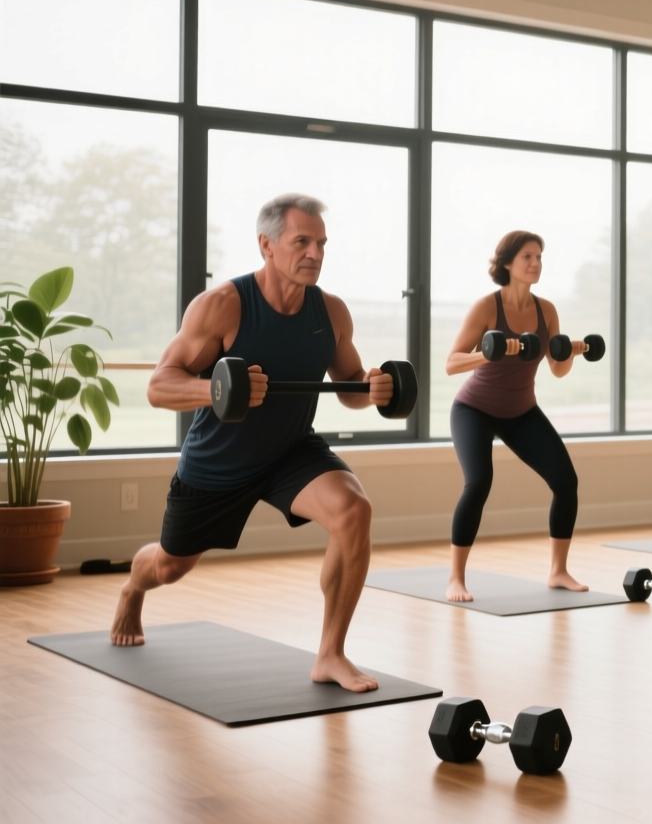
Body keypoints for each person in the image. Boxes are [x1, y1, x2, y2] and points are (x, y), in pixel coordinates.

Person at [110, 193, 393, 692]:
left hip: (289, 451)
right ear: (266, 245)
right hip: (219, 463)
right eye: (301, 241)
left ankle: (330, 654)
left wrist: (371, 389)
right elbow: (159, 386)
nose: (315, 253)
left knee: (355, 511)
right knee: (169, 566)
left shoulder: (330, 312)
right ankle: (133, 589)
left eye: (321, 243)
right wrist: (216, 390)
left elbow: (348, 386)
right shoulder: (221, 306)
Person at [443, 231, 589, 601]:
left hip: (521, 410)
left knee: (566, 481)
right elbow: (451, 363)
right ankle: (456, 578)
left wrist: (570, 352)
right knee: (478, 483)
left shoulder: (547, 311)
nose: (536, 263)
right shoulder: (487, 308)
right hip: (474, 409)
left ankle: (558, 571)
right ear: (507, 263)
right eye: (527, 257)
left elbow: (557, 370)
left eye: (539, 257)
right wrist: (488, 354)